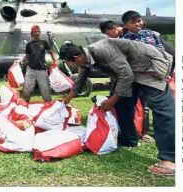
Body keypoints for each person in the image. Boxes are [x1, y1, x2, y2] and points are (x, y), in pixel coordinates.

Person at [59, 38, 175, 176]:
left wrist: (112, 99)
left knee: (162, 109)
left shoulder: (102, 49)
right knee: (122, 107)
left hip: (149, 66)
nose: (71, 65)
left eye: (69, 63)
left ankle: (170, 159)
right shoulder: (84, 59)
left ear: (76, 57)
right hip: (131, 71)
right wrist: (64, 102)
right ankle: (129, 141)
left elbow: (126, 75)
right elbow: (80, 81)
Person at [21, 25, 58, 102]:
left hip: (42, 70)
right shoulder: (29, 45)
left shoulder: (44, 42)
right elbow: (27, 56)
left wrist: (56, 60)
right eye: (35, 31)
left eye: (38, 31)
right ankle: (24, 105)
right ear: (32, 33)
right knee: (27, 89)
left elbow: (52, 52)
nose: (37, 33)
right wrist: (20, 60)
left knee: (46, 90)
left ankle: (49, 105)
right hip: (30, 70)